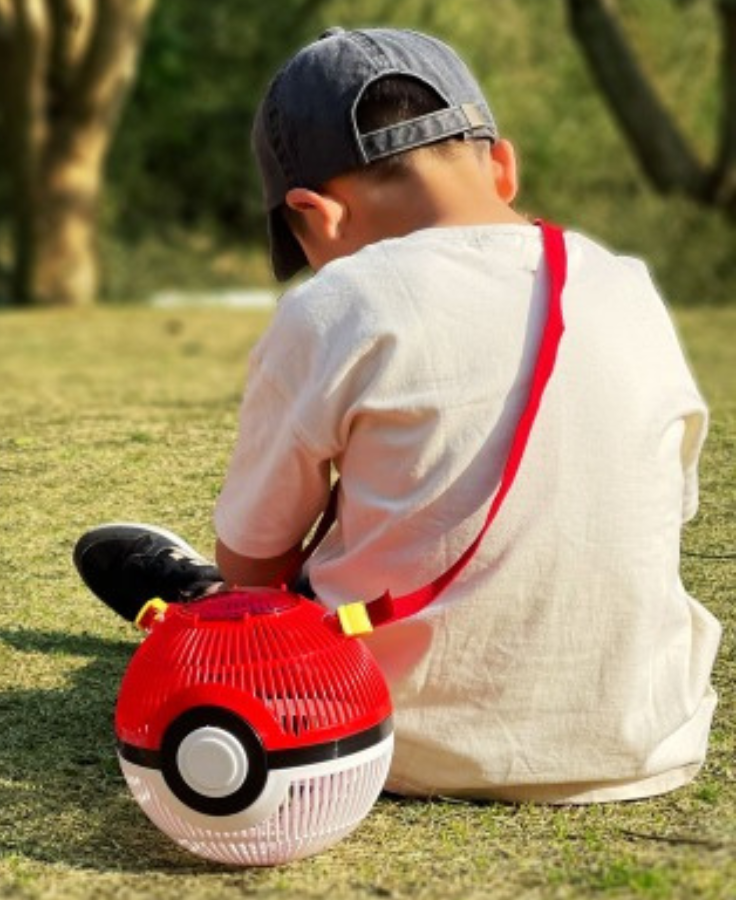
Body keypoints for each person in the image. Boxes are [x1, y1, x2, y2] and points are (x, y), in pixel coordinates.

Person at [74, 27, 718, 803]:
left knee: (243, 602)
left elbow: (254, 566)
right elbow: (663, 508)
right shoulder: (625, 286)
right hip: (637, 737)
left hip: (363, 737)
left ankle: (191, 596)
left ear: (316, 215)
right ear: (502, 166)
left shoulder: (338, 304)